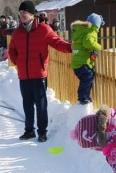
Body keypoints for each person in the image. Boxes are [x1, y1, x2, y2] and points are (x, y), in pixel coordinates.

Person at [9, 1, 72, 142]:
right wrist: (17, 61)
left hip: (38, 74)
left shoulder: (44, 29)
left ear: (32, 14)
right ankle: (29, 130)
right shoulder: (17, 32)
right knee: (27, 104)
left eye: (25, 12)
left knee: (41, 104)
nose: (22, 15)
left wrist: (70, 47)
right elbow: (12, 50)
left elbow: (57, 42)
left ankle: (42, 132)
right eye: (20, 13)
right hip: (24, 75)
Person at [70, 13, 103, 105]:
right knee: (88, 78)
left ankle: (86, 96)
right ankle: (83, 97)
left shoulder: (81, 31)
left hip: (77, 62)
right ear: (97, 25)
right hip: (82, 63)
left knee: (86, 79)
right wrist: (99, 47)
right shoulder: (90, 31)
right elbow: (87, 43)